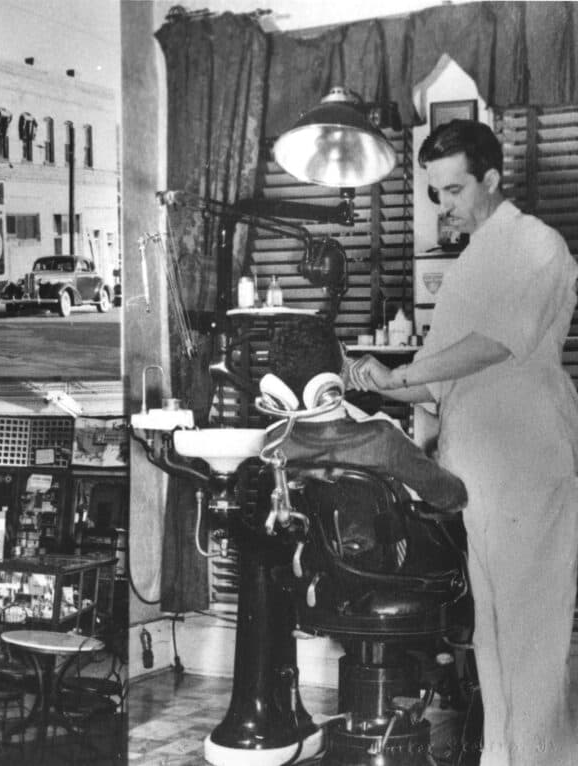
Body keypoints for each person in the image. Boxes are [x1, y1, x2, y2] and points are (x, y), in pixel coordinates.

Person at [348, 119, 578, 765]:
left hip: (528, 455)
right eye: (435, 193)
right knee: (495, 628)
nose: (443, 205)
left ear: (492, 179)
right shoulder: (473, 259)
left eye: (453, 190)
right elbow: (446, 383)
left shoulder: (537, 243)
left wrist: (407, 372)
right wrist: (377, 384)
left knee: (532, 625)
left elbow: (497, 344)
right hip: (475, 462)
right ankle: (505, 755)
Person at [268, 318, 467, 511]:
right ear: (336, 378)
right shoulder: (383, 439)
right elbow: (453, 497)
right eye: (344, 353)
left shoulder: (274, 443)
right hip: (387, 544)